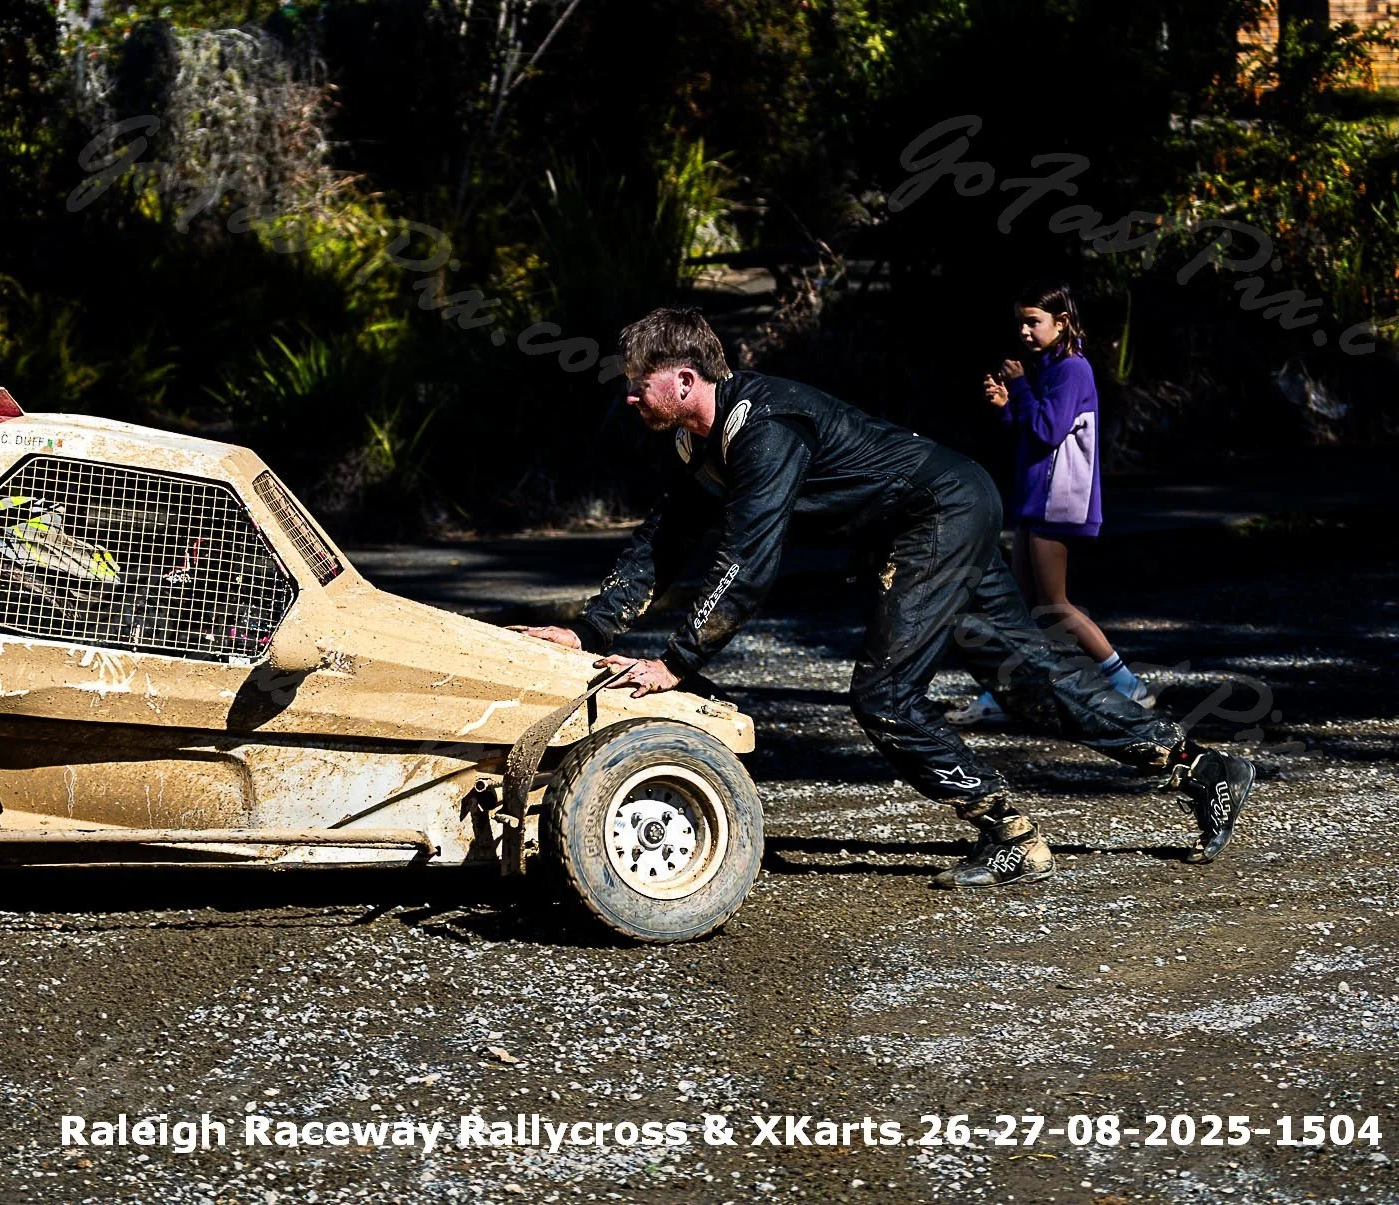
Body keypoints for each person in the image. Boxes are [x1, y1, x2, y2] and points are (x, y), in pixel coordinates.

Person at [517, 307, 1254, 888]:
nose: (628, 392)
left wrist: (677, 661)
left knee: (884, 695)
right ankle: (1200, 765)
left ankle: (1010, 834)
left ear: (682, 379)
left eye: (638, 379)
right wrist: (585, 630)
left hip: (938, 514)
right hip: (947, 508)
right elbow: (665, 539)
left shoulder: (761, 425)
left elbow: (749, 556)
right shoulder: (698, 447)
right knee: (1026, 677)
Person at [951, 281, 1149, 728]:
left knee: (1054, 604)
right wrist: (1006, 405)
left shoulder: (1071, 369)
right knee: (1019, 606)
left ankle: (1124, 681)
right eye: (1020, 321)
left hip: (1058, 501)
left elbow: (1048, 431)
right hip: (1035, 496)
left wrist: (1018, 387)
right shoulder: (1047, 366)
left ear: (1061, 322)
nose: (1024, 330)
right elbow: (1029, 428)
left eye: (1033, 321)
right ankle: (1002, 693)